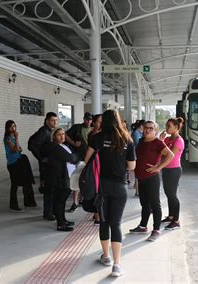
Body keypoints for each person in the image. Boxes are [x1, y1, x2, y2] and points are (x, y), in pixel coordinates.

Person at [84, 110, 136, 277]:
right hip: (120, 187)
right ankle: (117, 265)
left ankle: (106, 256)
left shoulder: (97, 138)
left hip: (102, 186)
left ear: (103, 121)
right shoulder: (127, 139)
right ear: (118, 120)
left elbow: (86, 160)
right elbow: (132, 167)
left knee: (104, 222)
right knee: (116, 224)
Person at [130, 120, 174, 242]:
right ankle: (143, 226)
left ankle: (156, 230)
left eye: (150, 128)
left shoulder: (158, 142)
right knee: (144, 204)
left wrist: (158, 167)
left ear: (155, 130)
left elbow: (170, 155)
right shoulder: (140, 141)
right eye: (146, 128)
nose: (148, 130)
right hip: (141, 177)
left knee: (155, 204)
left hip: (152, 178)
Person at [42, 128, 79, 231]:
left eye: (63, 134)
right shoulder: (55, 146)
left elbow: (71, 157)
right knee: (59, 201)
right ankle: (60, 224)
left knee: (61, 201)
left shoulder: (62, 146)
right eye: (59, 134)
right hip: (58, 177)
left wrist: (73, 156)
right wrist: (76, 156)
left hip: (64, 175)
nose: (62, 136)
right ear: (54, 136)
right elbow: (70, 158)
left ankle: (63, 220)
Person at [28, 112, 58, 220]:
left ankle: (52, 211)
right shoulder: (44, 131)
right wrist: (41, 158)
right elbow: (32, 146)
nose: (55, 122)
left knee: (52, 189)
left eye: (56, 120)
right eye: (52, 120)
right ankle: (47, 212)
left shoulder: (50, 131)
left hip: (51, 163)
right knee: (49, 190)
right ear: (47, 121)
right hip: (47, 164)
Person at [4, 120, 37, 212]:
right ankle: (13, 205)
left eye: (14, 126)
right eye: (11, 127)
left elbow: (20, 149)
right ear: (7, 128)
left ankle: (28, 201)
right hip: (13, 163)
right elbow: (15, 150)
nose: (13, 129)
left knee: (26, 181)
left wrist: (17, 144)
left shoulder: (13, 138)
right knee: (14, 184)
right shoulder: (8, 138)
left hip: (19, 161)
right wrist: (17, 138)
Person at [65, 112, 93, 212]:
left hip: (90, 159)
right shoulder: (77, 127)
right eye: (87, 119)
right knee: (77, 178)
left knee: (87, 179)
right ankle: (75, 202)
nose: (89, 121)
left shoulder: (93, 129)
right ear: (84, 119)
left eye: (90, 120)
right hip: (80, 157)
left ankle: (82, 199)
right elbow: (66, 135)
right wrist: (73, 143)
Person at [161, 118, 185, 230]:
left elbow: (170, 156)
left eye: (169, 126)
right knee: (168, 194)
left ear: (176, 127)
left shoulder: (179, 141)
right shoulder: (167, 139)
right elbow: (160, 152)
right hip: (166, 169)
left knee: (172, 195)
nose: (166, 128)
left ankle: (176, 221)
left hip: (174, 170)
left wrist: (159, 166)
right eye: (166, 126)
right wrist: (161, 140)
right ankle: (171, 216)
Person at [87, 114, 103, 225]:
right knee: (97, 190)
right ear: (93, 123)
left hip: (100, 164)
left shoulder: (101, 134)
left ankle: (97, 214)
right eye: (98, 121)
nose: (100, 124)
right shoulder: (94, 135)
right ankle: (98, 217)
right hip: (95, 165)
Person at [130, 120, 145, 197]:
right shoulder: (136, 133)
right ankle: (138, 191)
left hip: (140, 155)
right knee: (138, 172)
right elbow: (139, 144)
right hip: (137, 155)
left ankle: (138, 189)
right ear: (142, 126)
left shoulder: (141, 133)